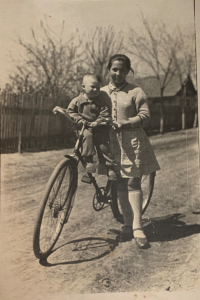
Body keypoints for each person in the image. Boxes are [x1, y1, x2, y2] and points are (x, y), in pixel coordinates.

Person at [99, 54, 160, 249]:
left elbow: (145, 114)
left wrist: (127, 123)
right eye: (114, 69)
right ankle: (127, 223)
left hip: (133, 142)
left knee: (133, 182)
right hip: (111, 144)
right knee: (119, 184)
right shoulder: (100, 93)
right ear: (109, 69)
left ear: (128, 71)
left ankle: (137, 227)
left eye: (122, 70)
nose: (118, 73)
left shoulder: (136, 91)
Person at [53, 73, 117, 179]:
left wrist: (97, 121)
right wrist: (80, 120)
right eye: (93, 87)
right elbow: (70, 112)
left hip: (99, 128)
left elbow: (104, 112)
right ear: (83, 87)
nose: (96, 90)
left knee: (103, 146)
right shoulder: (77, 101)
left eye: (98, 87)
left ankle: (110, 168)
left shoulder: (101, 100)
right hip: (84, 128)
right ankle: (89, 162)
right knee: (87, 136)